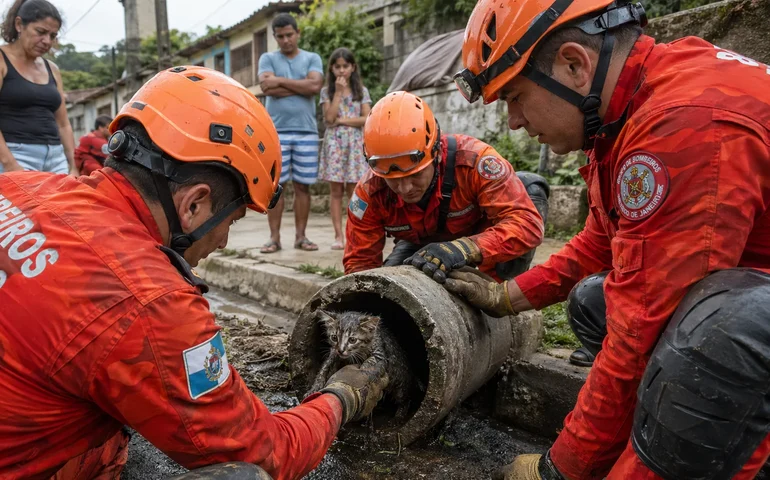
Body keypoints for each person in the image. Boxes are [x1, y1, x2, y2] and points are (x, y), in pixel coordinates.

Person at [0, 66, 388, 480]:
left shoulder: (23, 187)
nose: (222, 242)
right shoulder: (149, 301)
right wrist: (343, 396)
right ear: (194, 205)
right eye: (233, 221)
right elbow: (267, 453)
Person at [447, 0, 770, 478]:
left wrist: (561, 469)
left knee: (721, 332)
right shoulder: (631, 106)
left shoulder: (684, 124)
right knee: (594, 300)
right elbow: (601, 241)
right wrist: (505, 297)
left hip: (750, 326)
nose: (513, 121)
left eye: (514, 95)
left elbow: (639, 332)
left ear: (574, 64)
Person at [344, 90, 549, 283]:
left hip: (482, 236)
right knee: (389, 287)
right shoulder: (370, 192)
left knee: (531, 189)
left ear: (436, 153)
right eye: (393, 179)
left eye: (414, 175)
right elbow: (360, 265)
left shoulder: (474, 163)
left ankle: (501, 279)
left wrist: (465, 249)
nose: (405, 188)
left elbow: (527, 225)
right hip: (423, 245)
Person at [258, 13, 324, 254]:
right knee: (276, 188)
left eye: (289, 35)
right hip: (275, 133)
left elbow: (315, 87)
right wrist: (300, 87)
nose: (286, 40)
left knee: (303, 187)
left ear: (298, 33)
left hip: (306, 132)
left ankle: (301, 237)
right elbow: (266, 87)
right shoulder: (267, 58)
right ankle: (274, 239)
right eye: (280, 36)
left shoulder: (312, 57)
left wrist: (279, 84)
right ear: (275, 37)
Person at [0, 0, 75, 175]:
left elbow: (63, 124)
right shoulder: (2, 60)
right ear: (19, 25)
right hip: (16, 154)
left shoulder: (52, 69)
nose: (46, 41)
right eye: (40, 32)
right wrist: (10, 164)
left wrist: (73, 165)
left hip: (56, 159)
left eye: (52, 35)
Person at [319, 47, 371, 250]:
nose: (341, 70)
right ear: (331, 69)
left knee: (354, 190)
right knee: (335, 191)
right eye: (337, 66)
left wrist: (342, 120)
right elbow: (329, 119)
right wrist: (338, 94)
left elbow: (366, 119)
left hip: (355, 145)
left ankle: (354, 233)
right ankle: (338, 235)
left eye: (345, 66)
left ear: (353, 67)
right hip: (335, 145)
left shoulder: (361, 91)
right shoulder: (328, 92)